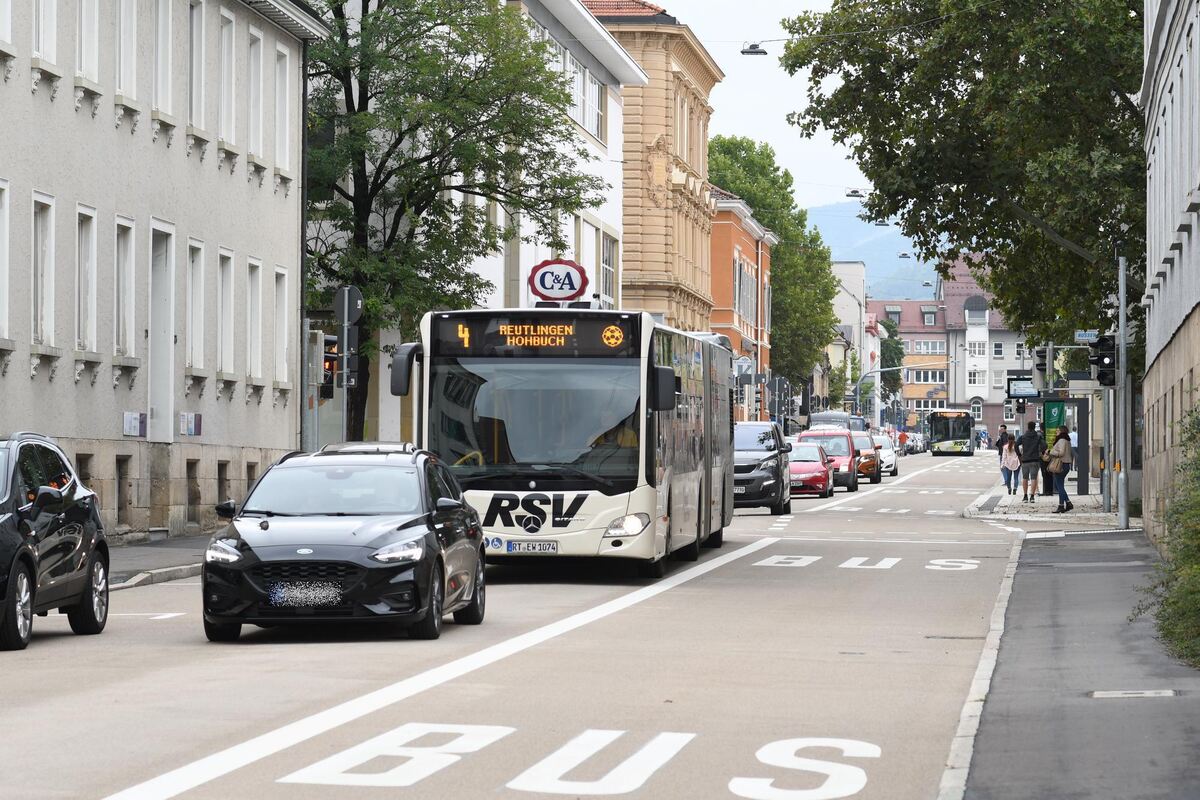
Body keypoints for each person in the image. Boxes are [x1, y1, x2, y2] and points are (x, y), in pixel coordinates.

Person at [1015, 420, 1045, 502]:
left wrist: (1019, 455)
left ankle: (1025, 496)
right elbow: (1044, 445)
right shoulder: (1038, 436)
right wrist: (1040, 452)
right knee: (1033, 478)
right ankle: (1032, 496)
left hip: (1025, 460)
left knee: (1025, 478)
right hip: (1035, 460)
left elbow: (1016, 445)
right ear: (1034, 427)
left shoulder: (1023, 437)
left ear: (1028, 427)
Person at [1048, 426, 1075, 513]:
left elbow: (1061, 453)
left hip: (1060, 465)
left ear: (1062, 431)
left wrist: (1051, 452)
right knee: (1060, 486)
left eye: (1058, 430)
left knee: (1059, 486)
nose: (1056, 432)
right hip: (1065, 465)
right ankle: (1063, 505)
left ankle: (1066, 504)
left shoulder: (1062, 440)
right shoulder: (1067, 441)